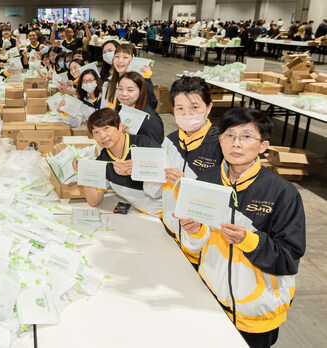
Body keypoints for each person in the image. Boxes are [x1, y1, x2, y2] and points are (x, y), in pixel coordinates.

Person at [178, 108, 306, 348]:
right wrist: (194, 233)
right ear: (221, 140)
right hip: (210, 300)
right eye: (230, 135)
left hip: (257, 311)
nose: (236, 143)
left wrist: (250, 240)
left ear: (263, 145)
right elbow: (195, 249)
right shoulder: (205, 182)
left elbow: (288, 258)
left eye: (247, 136)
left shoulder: (282, 193)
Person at [143, 76, 223, 265]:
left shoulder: (220, 144)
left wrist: (187, 185)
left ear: (209, 108)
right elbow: (152, 192)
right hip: (170, 233)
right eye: (180, 108)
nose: (187, 114)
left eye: (195, 107)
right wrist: (151, 175)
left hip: (204, 244)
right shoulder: (170, 141)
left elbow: (225, 202)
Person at [72, 108, 161, 214]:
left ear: (119, 126)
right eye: (96, 132)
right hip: (142, 213)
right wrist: (84, 173)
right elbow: (93, 201)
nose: (102, 136)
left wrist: (140, 170)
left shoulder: (146, 145)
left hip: (167, 213)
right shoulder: (103, 160)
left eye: (106, 128)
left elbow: (164, 184)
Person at [104, 44, 157, 110]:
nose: (120, 60)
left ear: (134, 60)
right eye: (117, 56)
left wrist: (147, 79)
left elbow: (152, 105)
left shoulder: (139, 82)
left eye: (125, 57)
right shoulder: (109, 82)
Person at [115, 72, 164, 144]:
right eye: (120, 89)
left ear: (141, 91)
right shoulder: (122, 109)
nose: (123, 94)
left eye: (130, 90)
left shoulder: (149, 119)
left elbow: (154, 149)